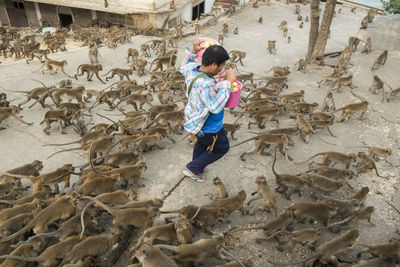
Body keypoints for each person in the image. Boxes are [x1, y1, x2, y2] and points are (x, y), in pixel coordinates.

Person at [179, 39, 237, 182]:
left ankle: (197, 167)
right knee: (222, 147)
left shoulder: (192, 70)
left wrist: (193, 51)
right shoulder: (206, 84)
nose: (221, 68)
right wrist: (228, 82)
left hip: (195, 120)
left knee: (202, 142)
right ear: (213, 65)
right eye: (221, 65)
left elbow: (183, 66)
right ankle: (193, 168)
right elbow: (215, 107)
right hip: (209, 126)